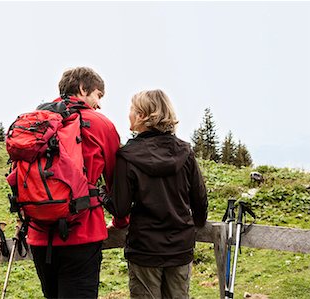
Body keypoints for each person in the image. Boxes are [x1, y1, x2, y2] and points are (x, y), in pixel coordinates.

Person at [28, 67, 125, 298]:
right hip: (82, 232)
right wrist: (121, 221)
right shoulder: (101, 124)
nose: (99, 104)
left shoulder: (36, 122)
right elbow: (115, 182)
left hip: (40, 234)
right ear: (83, 89)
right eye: (98, 95)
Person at [105, 89, 208, 299]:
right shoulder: (185, 151)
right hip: (180, 247)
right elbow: (200, 199)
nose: (129, 114)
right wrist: (194, 226)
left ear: (143, 115)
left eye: (132, 110)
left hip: (145, 248)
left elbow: (120, 207)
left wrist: (99, 194)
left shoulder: (127, 156)